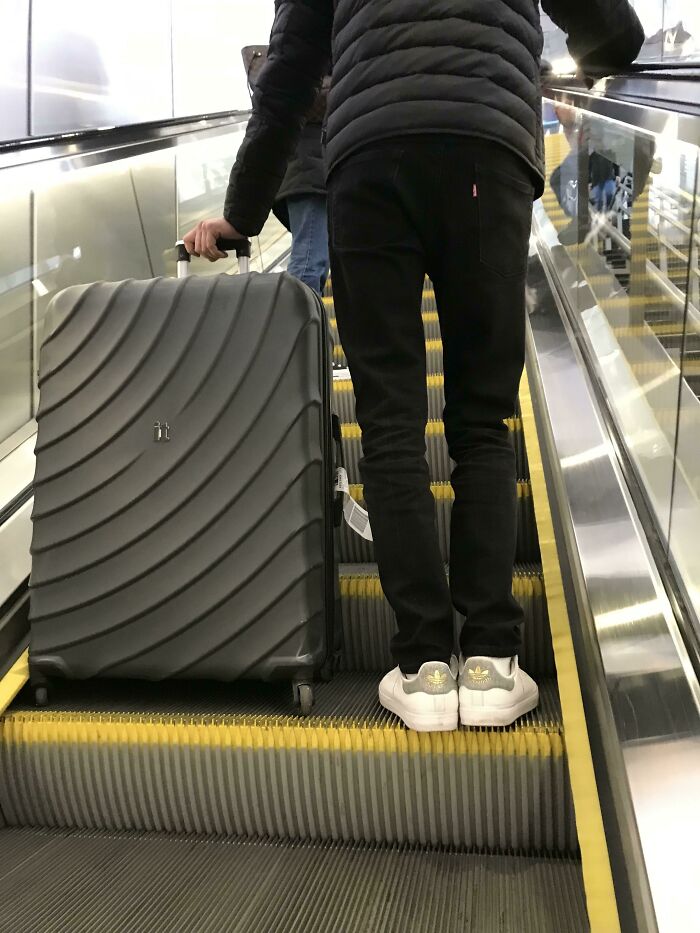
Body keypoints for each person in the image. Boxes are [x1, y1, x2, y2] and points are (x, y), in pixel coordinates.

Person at [184, 0, 644, 732]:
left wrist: (241, 213)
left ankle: (424, 668)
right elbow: (609, 30)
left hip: (370, 161)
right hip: (486, 150)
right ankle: (492, 662)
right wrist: (615, 50)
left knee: (393, 424)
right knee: (481, 418)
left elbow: (286, 75)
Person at [243, 40, 330, 296]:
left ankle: (307, 332)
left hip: (319, 171)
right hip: (309, 173)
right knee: (309, 262)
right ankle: (293, 332)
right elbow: (297, 98)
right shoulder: (294, 62)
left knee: (314, 260)